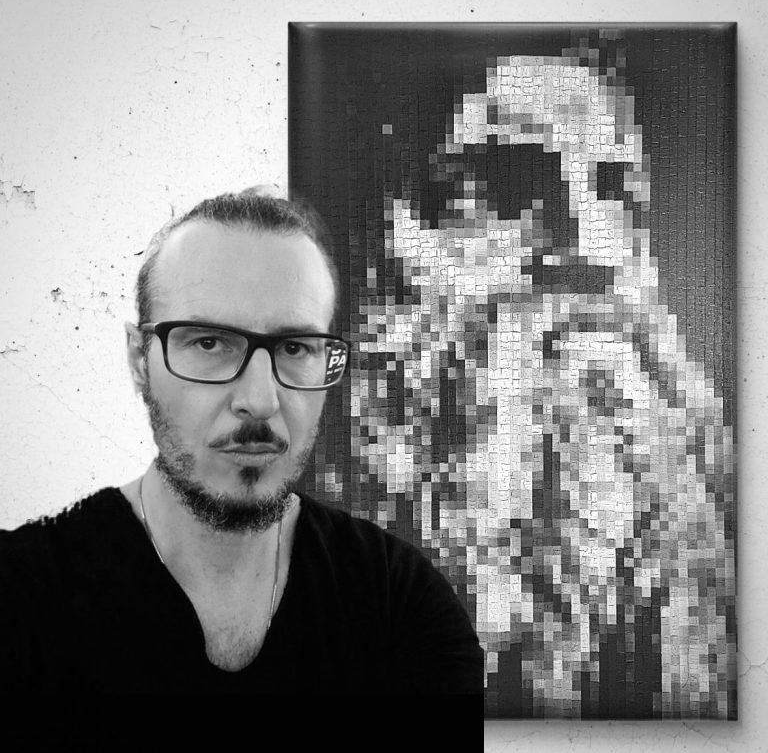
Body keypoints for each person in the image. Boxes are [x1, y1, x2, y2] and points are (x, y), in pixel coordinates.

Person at [349, 45, 735, 717]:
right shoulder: (351, 530)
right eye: (513, 181)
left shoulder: (697, 487)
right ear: (406, 226)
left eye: (611, 188)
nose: (587, 239)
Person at [0, 189, 483, 694]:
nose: (259, 400)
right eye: (209, 343)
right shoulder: (19, 597)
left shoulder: (403, 606)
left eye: (295, 347)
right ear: (140, 359)